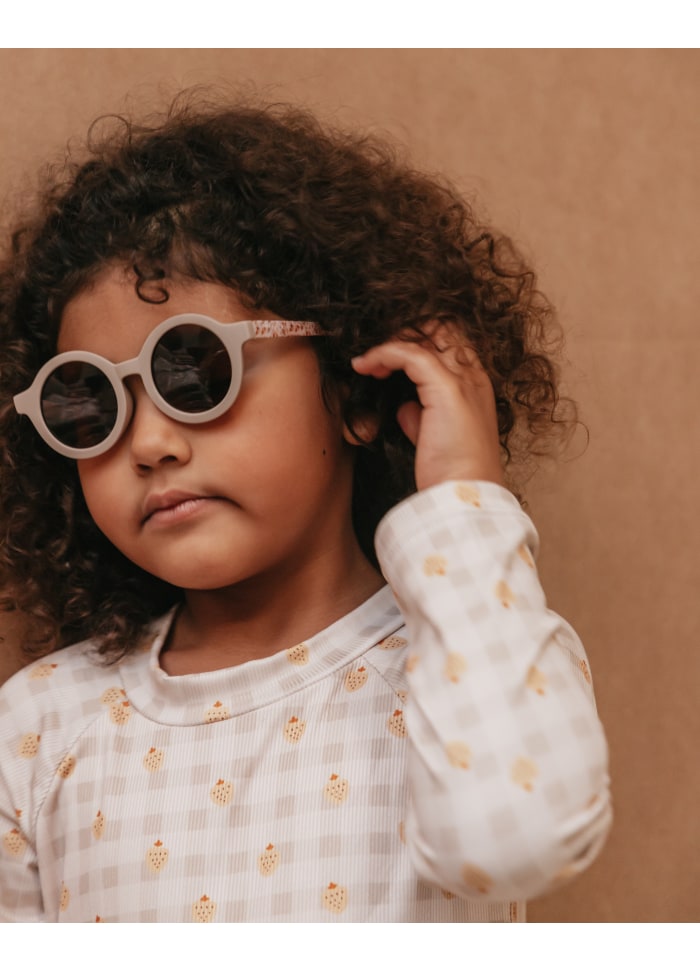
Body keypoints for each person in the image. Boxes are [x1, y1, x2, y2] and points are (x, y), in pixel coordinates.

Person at [0, 92, 611, 923]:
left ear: (360, 388)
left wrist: (467, 502)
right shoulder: (40, 724)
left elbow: (516, 845)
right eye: (88, 403)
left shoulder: (476, 653)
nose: (148, 444)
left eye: (193, 371)